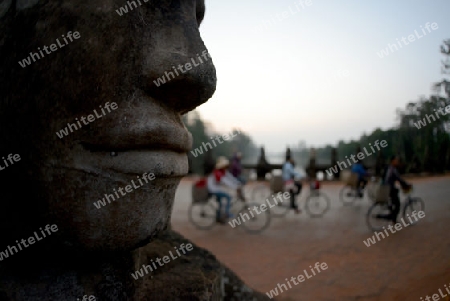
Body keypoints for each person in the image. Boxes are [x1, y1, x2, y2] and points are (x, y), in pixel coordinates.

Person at [207, 156, 242, 222]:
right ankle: (227, 213)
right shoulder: (217, 172)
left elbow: (231, 178)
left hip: (216, 188)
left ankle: (219, 217)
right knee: (228, 197)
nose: (226, 167)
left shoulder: (223, 171)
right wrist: (235, 187)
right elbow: (225, 181)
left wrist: (238, 183)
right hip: (213, 189)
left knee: (220, 203)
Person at [382, 155, 411, 223]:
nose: (397, 162)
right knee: (397, 205)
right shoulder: (393, 169)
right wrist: (406, 185)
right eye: (396, 160)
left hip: (386, 188)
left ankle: (392, 216)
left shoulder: (388, 168)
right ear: (392, 161)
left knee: (393, 202)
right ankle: (393, 218)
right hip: (390, 188)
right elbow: (399, 179)